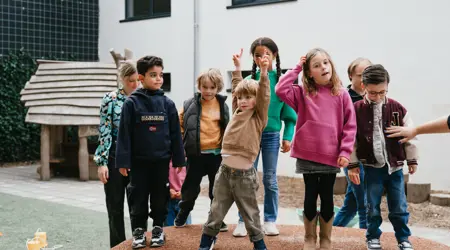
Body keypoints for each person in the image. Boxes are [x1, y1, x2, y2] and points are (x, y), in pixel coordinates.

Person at [275, 48, 357, 250]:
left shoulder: (342, 94)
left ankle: (326, 239)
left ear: (331, 66)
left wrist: (345, 152)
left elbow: (350, 126)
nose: (323, 67)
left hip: (332, 156)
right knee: (310, 195)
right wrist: (296, 69)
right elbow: (280, 89)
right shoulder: (302, 93)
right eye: (317, 65)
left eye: (326, 63)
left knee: (327, 197)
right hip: (307, 153)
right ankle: (309, 237)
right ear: (309, 72)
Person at [198, 48, 271, 250]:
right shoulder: (238, 110)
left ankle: (259, 245)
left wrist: (263, 73)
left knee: (250, 214)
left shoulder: (258, 117)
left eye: (249, 98)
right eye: (241, 98)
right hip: (224, 173)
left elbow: (264, 95)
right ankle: (206, 243)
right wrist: (238, 68)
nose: (243, 101)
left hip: (244, 176)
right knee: (216, 211)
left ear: (257, 101)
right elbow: (238, 87)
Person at [115, 56, 186, 249]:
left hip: (161, 162)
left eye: (160, 75)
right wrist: (123, 162)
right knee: (137, 197)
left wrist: (179, 159)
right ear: (141, 77)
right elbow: (124, 134)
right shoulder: (131, 104)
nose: (158, 79)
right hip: (138, 163)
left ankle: (157, 229)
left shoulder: (168, 104)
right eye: (153, 75)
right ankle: (138, 231)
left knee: (159, 198)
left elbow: (175, 135)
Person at [348, 64, 418, 250]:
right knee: (371, 205)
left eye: (382, 92)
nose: (378, 96)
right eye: (373, 92)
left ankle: (403, 239)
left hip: (395, 168)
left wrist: (412, 159)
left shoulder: (398, 108)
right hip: (371, 168)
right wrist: (352, 164)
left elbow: (410, 134)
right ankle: (372, 237)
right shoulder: (356, 109)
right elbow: (350, 140)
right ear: (363, 86)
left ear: (387, 86)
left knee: (399, 206)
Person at [234, 37, 297, 237]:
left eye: (267, 54)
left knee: (270, 179)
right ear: (253, 58)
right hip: (250, 136)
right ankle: (244, 220)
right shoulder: (249, 82)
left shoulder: (282, 82)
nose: (263, 58)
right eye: (258, 55)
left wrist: (287, 137)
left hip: (271, 135)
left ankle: (270, 219)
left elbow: (290, 115)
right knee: (246, 178)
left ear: (274, 56)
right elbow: (238, 108)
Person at [174, 68, 230, 232]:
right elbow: (179, 124)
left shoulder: (222, 105)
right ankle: (183, 214)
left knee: (217, 189)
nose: (208, 91)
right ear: (199, 86)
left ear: (218, 88)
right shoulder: (189, 104)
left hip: (216, 155)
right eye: (204, 87)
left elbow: (227, 127)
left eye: (212, 87)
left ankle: (216, 218)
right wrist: (184, 142)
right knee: (190, 187)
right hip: (196, 154)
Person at [93, 61, 139, 248]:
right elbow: (104, 131)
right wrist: (102, 163)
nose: (135, 85)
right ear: (122, 80)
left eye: (138, 80)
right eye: (131, 81)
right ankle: (117, 246)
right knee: (114, 208)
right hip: (113, 158)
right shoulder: (110, 99)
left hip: (137, 160)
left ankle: (138, 243)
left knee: (138, 209)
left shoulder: (143, 99)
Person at [333, 57, 372, 229]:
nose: (364, 79)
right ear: (351, 76)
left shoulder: (375, 96)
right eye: (360, 75)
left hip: (370, 156)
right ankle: (368, 239)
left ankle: (328, 234)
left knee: (351, 204)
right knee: (365, 201)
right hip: (351, 155)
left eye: (368, 74)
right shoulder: (344, 97)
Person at [165, 160, 192, 227]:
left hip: (184, 200)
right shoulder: (163, 160)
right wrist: (167, 190)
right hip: (167, 200)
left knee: (186, 228)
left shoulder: (187, 161)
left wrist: (184, 192)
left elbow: (193, 183)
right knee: (168, 229)